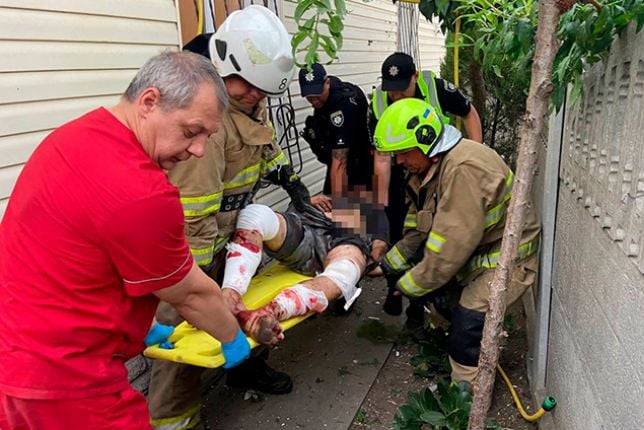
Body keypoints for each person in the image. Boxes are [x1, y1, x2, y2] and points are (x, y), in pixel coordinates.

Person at [0, 52, 250, 430]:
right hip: (67, 380)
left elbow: (79, 252)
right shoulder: (143, 193)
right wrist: (232, 337)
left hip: (14, 358)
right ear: (149, 102)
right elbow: (192, 295)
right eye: (190, 131)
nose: (198, 149)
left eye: (208, 136)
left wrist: (138, 325)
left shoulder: (73, 136)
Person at [147, 7, 321, 429]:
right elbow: (193, 217)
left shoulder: (247, 100)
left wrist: (296, 186)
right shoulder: (205, 123)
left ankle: (245, 369)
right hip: (188, 256)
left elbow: (267, 151)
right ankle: (174, 421)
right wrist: (200, 284)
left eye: (263, 90)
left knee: (245, 304)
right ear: (223, 67)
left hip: (226, 239)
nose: (256, 96)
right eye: (251, 87)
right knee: (180, 351)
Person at [371, 98, 540, 386]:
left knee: (468, 320)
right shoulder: (430, 168)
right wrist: (389, 265)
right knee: (441, 302)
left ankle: (466, 395)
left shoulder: (463, 168)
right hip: (479, 251)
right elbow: (417, 228)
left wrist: (410, 286)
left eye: (402, 153)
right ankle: (467, 351)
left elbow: (449, 248)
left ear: (425, 142)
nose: (398, 161)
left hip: (508, 258)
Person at [368, 52, 484, 333]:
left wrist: (475, 153)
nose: (396, 96)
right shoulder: (380, 101)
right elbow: (382, 158)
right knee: (402, 230)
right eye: (391, 90)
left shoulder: (435, 88)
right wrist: (380, 204)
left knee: (436, 230)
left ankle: (426, 298)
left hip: (438, 169)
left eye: (402, 89)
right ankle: (399, 293)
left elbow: (469, 113)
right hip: (403, 171)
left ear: (415, 77)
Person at [218, 200, 390, 345]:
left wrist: (372, 261)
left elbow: (379, 251)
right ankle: (230, 294)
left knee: (345, 272)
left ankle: (269, 313)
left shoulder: (376, 210)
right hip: (308, 227)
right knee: (256, 213)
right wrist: (307, 200)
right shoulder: (328, 194)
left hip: (349, 242)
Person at [298, 63, 373, 198]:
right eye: (309, 97)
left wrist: (338, 205)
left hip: (359, 166)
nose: (314, 101)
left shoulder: (344, 107)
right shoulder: (325, 97)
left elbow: (340, 162)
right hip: (338, 161)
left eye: (317, 94)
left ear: (327, 83)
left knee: (354, 211)